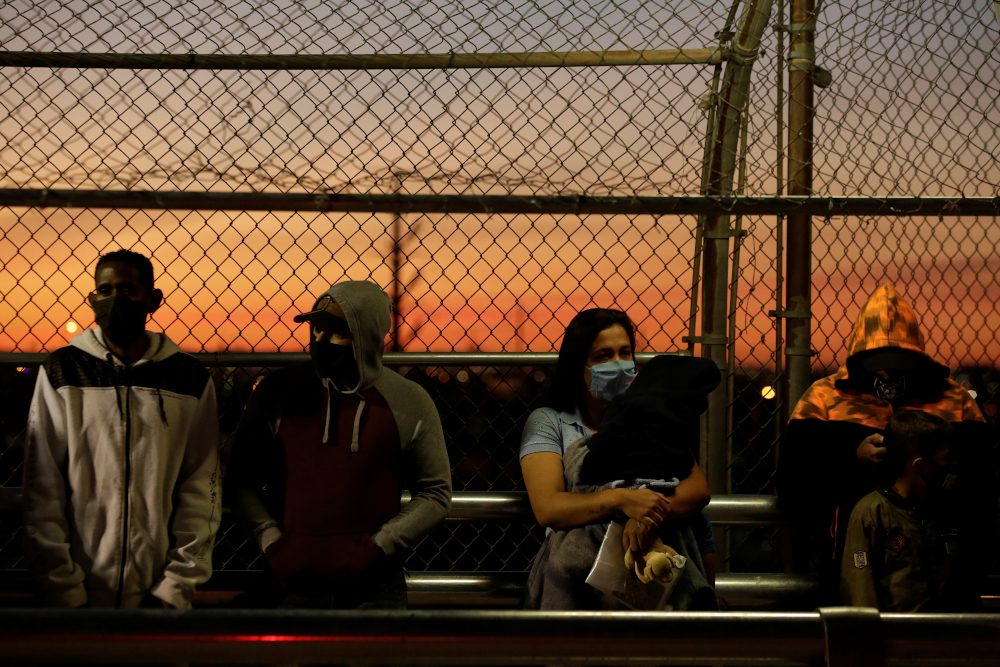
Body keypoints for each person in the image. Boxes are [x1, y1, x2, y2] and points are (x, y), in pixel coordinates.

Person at [226, 280, 451, 609]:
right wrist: (271, 541)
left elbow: (435, 492)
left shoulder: (409, 401)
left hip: (374, 585)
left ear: (367, 336)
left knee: (367, 661)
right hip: (287, 580)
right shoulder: (278, 392)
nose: (320, 341)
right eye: (316, 329)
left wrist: (379, 546)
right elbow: (240, 477)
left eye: (336, 332)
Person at [23, 249, 221, 608]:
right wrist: (62, 586)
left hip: (159, 594)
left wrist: (176, 586)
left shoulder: (187, 378)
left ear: (153, 300)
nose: (114, 300)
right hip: (76, 592)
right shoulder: (63, 371)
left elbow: (201, 486)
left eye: (128, 290)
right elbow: (43, 486)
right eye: (105, 290)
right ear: (92, 298)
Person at [777, 282, 992, 604]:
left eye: (899, 360)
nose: (889, 371)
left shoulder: (954, 398)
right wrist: (852, 457)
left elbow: (981, 482)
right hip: (852, 557)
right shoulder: (825, 396)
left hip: (944, 564)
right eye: (878, 359)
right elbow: (793, 483)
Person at [520, 308, 716, 609]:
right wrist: (624, 501)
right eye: (603, 356)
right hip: (583, 569)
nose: (618, 364)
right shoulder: (550, 422)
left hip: (656, 565)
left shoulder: (654, 413)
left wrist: (645, 517)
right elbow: (549, 508)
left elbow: (697, 490)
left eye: (625, 353)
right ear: (578, 365)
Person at [841, 411, 961, 611]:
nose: (953, 466)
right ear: (921, 467)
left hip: (944, 632)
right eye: (947, 459)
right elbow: (860, 584)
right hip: (897, 633)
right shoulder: (873, 511)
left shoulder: (942, 508)